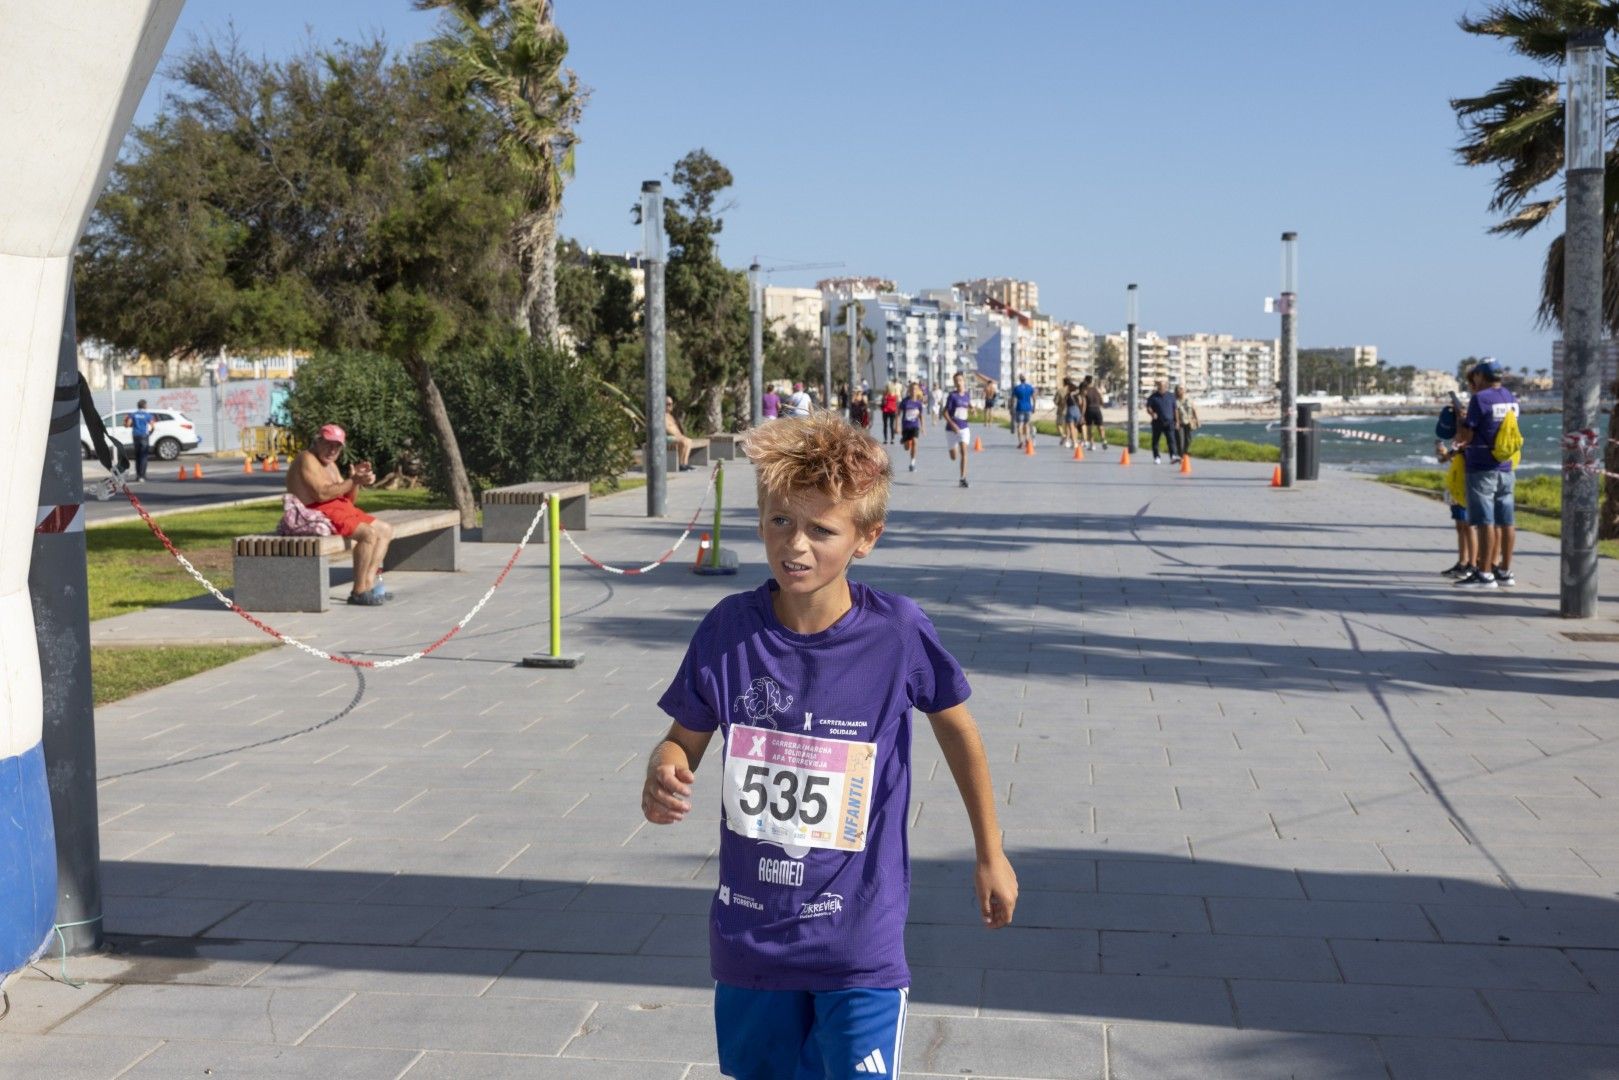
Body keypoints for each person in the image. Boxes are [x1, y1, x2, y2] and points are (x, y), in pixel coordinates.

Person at [642, 412, 1017, 1080]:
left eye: (822, 529)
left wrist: (990, 853)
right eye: (781, 521)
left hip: (857, 943)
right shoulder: (728, 630)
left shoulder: (896, 633)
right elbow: (682, 740)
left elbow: (958, 730)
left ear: (865, 538)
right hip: (750, 940)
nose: (797, 546)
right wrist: (664, 770)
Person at [285, 423, 391, 606]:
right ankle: (358, 592)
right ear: (317, 441)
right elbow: (321, 494)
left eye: (337, 446)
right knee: (368, 534)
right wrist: (352, 480)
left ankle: (368, 583)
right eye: (328, 444)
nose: (333, 450)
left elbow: (349, 499)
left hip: (339, 507)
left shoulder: (331, 464)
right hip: (319, 509)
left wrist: (356, 480)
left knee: (386, 530)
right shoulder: (306, 458)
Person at [1452, 360, 1518, 589]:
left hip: (1481, 467)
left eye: (1476, 376)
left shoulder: (1480, 399)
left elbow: (1466, 437)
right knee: (1506, 521)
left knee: (1485, 521)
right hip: (1505, 466)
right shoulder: (1510, 396)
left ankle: (1485, 573)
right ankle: (1505, 571)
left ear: (1480, 375)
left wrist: (1460, 420)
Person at [1434, 396, 1476, 578]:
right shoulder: (1459, 444)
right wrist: (1444, 454)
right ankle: (1463, 561)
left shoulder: (1469, 438)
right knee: (1460, 526)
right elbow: (1448, 457)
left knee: (1468, 526)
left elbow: (1459, 452)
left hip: (1465, 487)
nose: (1457, 432)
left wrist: (1447, 454)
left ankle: (1472, 564)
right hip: (1457, 487)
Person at [944, 371, 974, 488]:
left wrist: (972, 409)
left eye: (960, 380)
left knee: (964, 452)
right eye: (956, 381)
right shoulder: (952, 396)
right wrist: (953, 425)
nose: (958, 382)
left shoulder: (967, 395)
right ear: (954, 383)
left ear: (963, 381)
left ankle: (962, 478)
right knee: (953, 457)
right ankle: (953, 448)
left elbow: (967, 404)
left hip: (964, 428)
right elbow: (945, 413)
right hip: (951, 429)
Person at [1146, 380, 1180, 464]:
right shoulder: (1153, 397)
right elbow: (1148, 407)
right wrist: (1152, 413)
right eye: (1160, 386)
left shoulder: (1171, 396)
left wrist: (1177, 421)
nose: (1162, 388)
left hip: (1169, 422)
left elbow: (1175, 409)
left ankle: (1173, 456)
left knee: (1171, 440)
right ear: (1158, 387)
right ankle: (1157, 457)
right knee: (1156, 441)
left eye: (1164, 386)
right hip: (1157, 422)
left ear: (1166, 387)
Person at [898, 381, 926, 472]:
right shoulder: (905, 401)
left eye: (915, 389)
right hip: (906, 426)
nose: (913, 391)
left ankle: (912, 463)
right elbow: (898, 413)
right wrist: (896, 426)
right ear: (909, 390)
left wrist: (923, 427)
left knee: (915, 441)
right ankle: (905, 440)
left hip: (915, 426)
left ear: (918, 391)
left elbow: (921, 416)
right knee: (907, 447)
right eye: (912, 389)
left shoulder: (918, 403)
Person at [124, 398, 153, 482]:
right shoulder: (147, 415)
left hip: (136, 435)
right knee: (144, 456)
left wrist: (126, 423)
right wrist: (150, 433)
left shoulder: (133, 414)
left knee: (137, 456)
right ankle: (143, 476)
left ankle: (138, 476)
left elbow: (128, 424)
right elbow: (153, 426)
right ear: (145, 406)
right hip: (144, 435)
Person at [666, 396, 695, 472]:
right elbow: (666, 429)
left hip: (675, 437)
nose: (670, 406)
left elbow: (675, 428)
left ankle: (684, 463)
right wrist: (678, 436)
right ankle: (679, 464)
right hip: (665, 438)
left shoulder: (670, 416)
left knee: (689, 441)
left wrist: (680, 435)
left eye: (671, 404)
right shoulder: (661, 416)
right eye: (668, 404)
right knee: (684, 441)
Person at [1174, 384, 1200, 456]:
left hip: (1189, 422)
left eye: (1181, 389)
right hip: (1180, 423)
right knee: (1180, 439)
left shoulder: (1189, 399)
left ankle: (1185, 452)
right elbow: (1174, 412)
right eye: (1178, 389)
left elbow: (1194, 410)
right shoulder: (1175, 401)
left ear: (1185, 390)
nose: (1180, 390)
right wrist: (1176, 422)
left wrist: (1197, 420)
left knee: (1188, 439)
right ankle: (1181, 454)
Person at [1010, 375, 1035, 449]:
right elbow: (1034, 398)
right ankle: (1027, 439)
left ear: (1020, 380)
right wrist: (1034, 407)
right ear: (1025, 379)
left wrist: (1011, 408)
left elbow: (1013, 399)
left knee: (1020, 425)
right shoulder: (1030, 387)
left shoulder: (1017, 388)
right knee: (1027, 425)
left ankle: (1021, 441)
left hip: (1019, 408)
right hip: (1028, 408)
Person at [1082, 377, 1106, 452]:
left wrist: (1082, 413)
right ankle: (1103, 440)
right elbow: (1102, 400)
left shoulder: (1085, 391)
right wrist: (1101, 403)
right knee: (1100, 426)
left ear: (1085, 381)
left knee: (1089, 428)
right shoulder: (1096, 390)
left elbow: (1084, 403)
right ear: (1091, 382)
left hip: (1089, 410)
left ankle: (1092, 445)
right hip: (1097, 409)